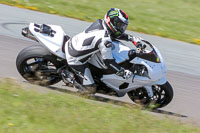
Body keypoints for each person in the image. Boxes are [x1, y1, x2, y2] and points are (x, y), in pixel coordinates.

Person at [63, 8, 142, 94]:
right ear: (111, 21)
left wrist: (132, 39)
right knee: (90, 89)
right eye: (119, 24)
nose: (121, 28)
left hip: (75, 44)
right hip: (75, 58)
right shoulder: (105, 39)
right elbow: (108, 61)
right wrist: (122, 72)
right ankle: (67, 75)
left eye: (123, 26)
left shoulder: (101, 23)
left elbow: (115, 34)